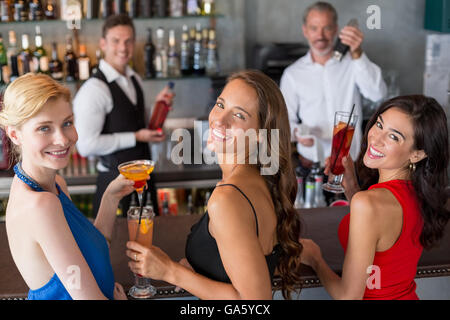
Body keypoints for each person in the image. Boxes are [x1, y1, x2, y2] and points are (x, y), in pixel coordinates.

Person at [125, 70, 303, 299]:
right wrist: (201, 270)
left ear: (260, 134)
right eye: (220, 104)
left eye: (239, 115)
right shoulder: (259, 179)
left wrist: (169, 271)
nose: (219, 120)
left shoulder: (228, 199)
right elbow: (251, 263)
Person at [0, 73, 138, 300]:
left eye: (67, 123)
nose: (63, 139)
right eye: (44, 128)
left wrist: (110, 199)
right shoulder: (41, 205)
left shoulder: (55, 185)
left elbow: (92, 251)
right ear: (15, 134)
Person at [300, 95, 450, 300]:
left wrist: (315, 259)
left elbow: (348, 297)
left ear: (417, 154)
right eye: (379, 124)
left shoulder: (369, 203)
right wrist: (352, 187)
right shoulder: (421, 194)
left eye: (394, 136)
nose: (376, 138)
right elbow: (382, 232)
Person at [73, 14, 173, 216]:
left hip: (144, 181)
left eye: (128, 41)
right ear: (103, 44)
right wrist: (136, 137)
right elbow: (85, 145)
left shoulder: (134, 78)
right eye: (116, 41)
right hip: (114, 185)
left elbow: (137, 123)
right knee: (114, 246)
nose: (123, 47)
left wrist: (159, 109)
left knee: (148, 241)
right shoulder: (94, 89)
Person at [280, 1, 387, 167]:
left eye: (327, 28)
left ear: (336, 30)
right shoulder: (293, 74)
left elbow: (378, 94)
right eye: (314, 28)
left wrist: (357, 53)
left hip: (350, 161)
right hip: (311, 161)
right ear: (305, 31)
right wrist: (297, 134)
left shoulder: (353, 63)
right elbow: (284, 120)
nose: (320, 35)